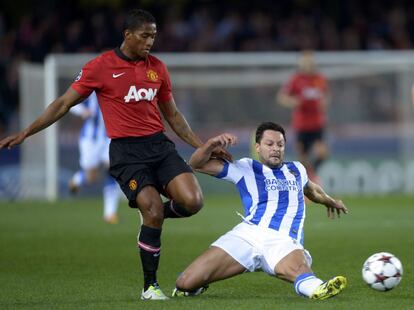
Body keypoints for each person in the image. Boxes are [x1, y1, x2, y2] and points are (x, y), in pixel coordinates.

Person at [0, 9, 230, 301]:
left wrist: (203, 145)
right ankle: (150, 287)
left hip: (159, 146)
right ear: (128, 35)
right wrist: (26, 133)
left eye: (154, 36)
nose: (150, 41)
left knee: (193, 201)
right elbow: (62, 104)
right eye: (145, 35)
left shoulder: (157, 67)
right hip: (126, 152)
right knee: (153, 210)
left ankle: (153, 216)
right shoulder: (100, 67)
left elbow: (173, 115)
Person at [172, 122, 348, 300]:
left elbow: (313, 190)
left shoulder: (296, 169)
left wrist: (330, 201)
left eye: (280, 144)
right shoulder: (245, 167)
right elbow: (196, 164)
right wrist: (211, 144)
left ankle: (319, 288)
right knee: (184, 282)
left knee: (301, 271)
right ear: (258, 147)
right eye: (269, 144)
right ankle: (196, 285)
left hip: (283, 238)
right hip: (248, 234)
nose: (275, 149)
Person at [68, 92, 121, 224]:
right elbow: (70, 103)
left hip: (109, 138)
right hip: (90, 140)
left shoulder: (117, 83)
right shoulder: (91, 87)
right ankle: (78, 179)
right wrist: (83, 111)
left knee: (113, 171)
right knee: (92, 178)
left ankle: (110, 213)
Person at [277, 50, 329, 181]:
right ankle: (307, 181)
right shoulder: (295, 80)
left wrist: (324, 103)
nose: (308, 65)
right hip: (301, 124)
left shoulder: (320, 79)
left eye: (310, 62)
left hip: (317, 123)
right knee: (302, 157)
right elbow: (282, 97)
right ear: (301, 64)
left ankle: (312, 174)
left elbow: (326, 96)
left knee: (322, 153)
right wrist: (293, 102)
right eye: (305, 62)